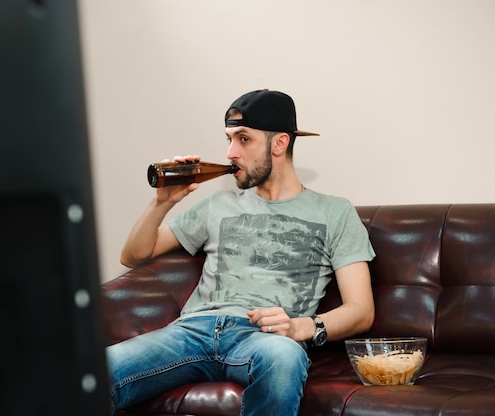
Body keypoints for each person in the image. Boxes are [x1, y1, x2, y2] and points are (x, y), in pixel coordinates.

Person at [107, 89, 375, 416]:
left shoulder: (335, 212)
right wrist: (161, 203)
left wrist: (302, 327)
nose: (231, 152)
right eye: (229, 139)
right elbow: (134, 256)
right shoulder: (217, 204)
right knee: (95, 371)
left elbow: (361, 310)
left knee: (283, 359)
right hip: (191, 331)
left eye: (244, 139)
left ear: (280, 143)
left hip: (264, 338)